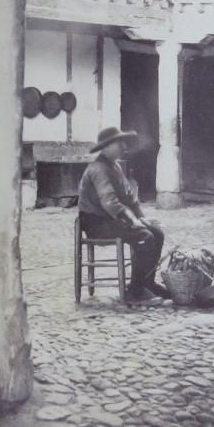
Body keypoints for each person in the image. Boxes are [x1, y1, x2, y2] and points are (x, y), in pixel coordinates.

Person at [78, 126, 168, 303]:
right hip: (97, 224)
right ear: (107, 147)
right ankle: (135, 291)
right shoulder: (97, 169)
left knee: (157, 233)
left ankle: (147, 283)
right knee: (145, 236)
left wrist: (141, 218)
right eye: (120, 142)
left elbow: (130, 198)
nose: (124, 146)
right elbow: (110, 203)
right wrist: (134, 222)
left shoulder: (115, 167)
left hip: (113, 220)